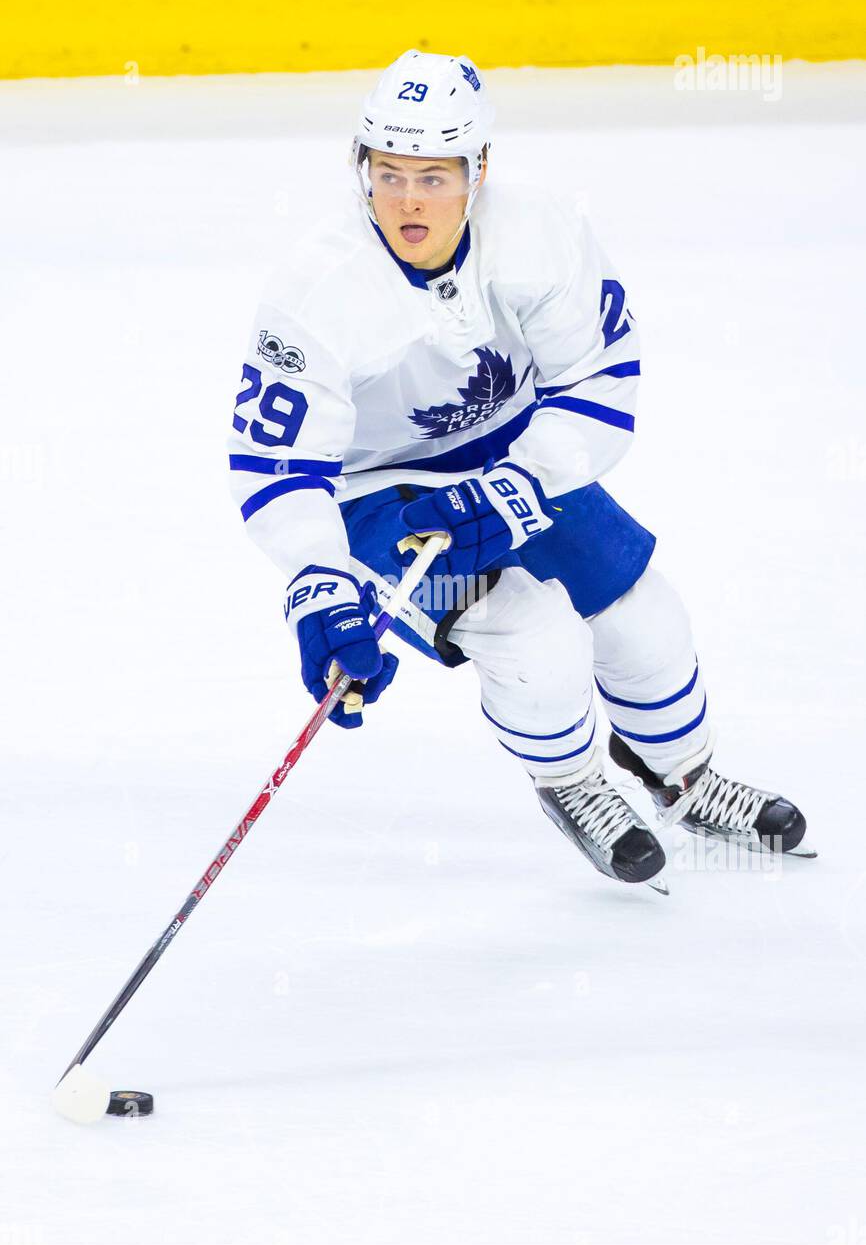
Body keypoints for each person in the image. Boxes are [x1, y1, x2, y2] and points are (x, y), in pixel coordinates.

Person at [228, 50, 811, 888]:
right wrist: (320, 583)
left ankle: (683, 777)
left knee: (646, 621)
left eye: (433, 177)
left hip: (520, 461)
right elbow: (278, 465)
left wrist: (522, 484)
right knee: (533, 638)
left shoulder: (541, 231)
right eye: (388, 175)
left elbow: (601, 381)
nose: (407, 201)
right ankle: (572, 784)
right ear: (361, 169)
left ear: (479, 169)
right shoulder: (316, 291)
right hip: (381, 502)